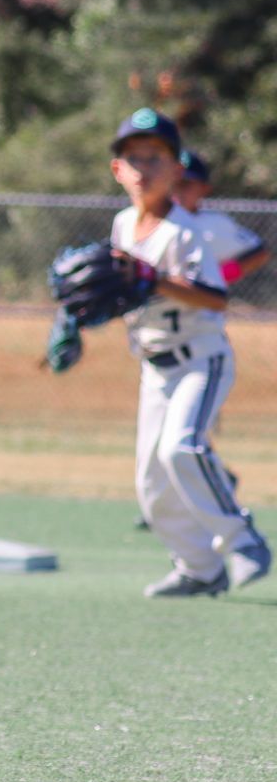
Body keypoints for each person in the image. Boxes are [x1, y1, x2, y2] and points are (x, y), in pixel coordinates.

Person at [105, 108, 271, 598]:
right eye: (134, 158)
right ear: (117, 170)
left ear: (177, 169)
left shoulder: (186, 230)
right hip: (154, 367)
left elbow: (215, 298)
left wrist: (155, 279)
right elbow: (118, 293)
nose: (143, 168)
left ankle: (242, 539)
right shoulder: (121, 225)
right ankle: (200, 568)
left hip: (201, 358)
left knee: (182, 448)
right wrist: (73, 318)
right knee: (152, 487)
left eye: (155, 157)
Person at [174, 150, 271, 286]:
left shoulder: (214, 223)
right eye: (172, 183)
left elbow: (259, 254)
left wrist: (219, 277)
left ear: (204, 188)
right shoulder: (146, 218)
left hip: (192, 297)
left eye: (185, 184)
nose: (177, 189)